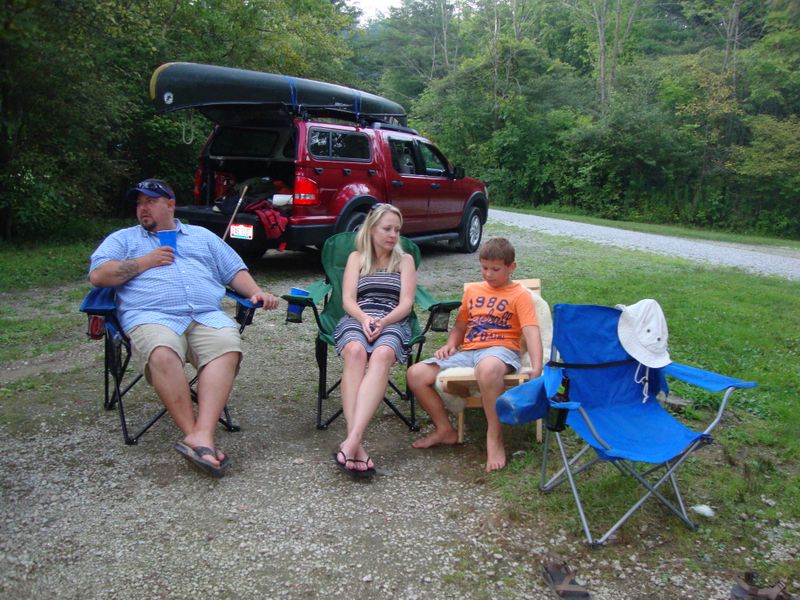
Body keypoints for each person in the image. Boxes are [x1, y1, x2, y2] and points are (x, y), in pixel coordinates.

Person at [88, 178, 279, 477]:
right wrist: (145, 261)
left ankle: (202, 434)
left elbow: (234, 270)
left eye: (150, 201)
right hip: (151, 316)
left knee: (226, 347)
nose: (143, 208)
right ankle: (198, 437)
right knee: (162, 353)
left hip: (205, 315)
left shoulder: (202, 236)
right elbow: (99, 275)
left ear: (170, 204)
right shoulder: (124, 240)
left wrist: (255, 292)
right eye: (139, 203)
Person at [407, 237, 543, 472]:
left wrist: (537, 366)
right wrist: (451, 344)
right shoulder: (473, 291)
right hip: (469, 352)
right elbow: (460, 326)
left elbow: (531, 331)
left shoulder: (520, 295)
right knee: (415, 374)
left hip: (501, 351)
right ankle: (445, 430)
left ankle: (494, 436)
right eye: (484, 268)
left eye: (495, 269)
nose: (488, 274)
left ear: (512, 267)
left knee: (486, 369)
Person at [332, 204, 417, 478]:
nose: (393, 235)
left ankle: (351, 442)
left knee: (382, 355)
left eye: (397, 230)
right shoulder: (357, 258)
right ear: (371, 229)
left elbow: (406, 304)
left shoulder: (405, 261)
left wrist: (383, 321)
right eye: (387, 229)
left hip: (392, 320)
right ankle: (356, 443)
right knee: (355, 351)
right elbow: (348, 300)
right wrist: (365, 318)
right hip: (358, 317)